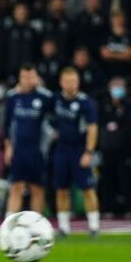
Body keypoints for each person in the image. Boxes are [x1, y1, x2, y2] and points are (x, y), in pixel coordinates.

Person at [52, 67, 100, 237]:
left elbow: (92, 128)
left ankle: (94, 226)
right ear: (61, 82)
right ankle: (64, 227)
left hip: (79, 150)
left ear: (78, 82)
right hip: (61, 150)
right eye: (67, 81)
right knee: (61, 189)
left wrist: (89, 152)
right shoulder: (56, 100)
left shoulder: (86, 103)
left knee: (87, 188)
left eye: (73, 81)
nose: (70, 85)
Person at [3, 65, 54, 216]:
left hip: (37, 150)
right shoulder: (13, 97)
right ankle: (8, 226)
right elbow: (6, 124)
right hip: (18, 149)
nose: (28, 80)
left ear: (36, 78)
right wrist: (8, 147)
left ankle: (36, 225)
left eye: (31, 77)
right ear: (20, 78)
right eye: (24, 77)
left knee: (37, 187)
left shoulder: (45, 97)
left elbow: (54, 119)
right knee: (16, 186)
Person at [97, 77, 131, 217]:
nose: (117, 89)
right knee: (107, 179)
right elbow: (100, 122)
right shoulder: (104, 104)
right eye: (115, 86)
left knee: (125, 179)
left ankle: (129, 208)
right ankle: (107, 208)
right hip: (107, 148)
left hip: (123, 149)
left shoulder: (128, 105)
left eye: (120, 86)